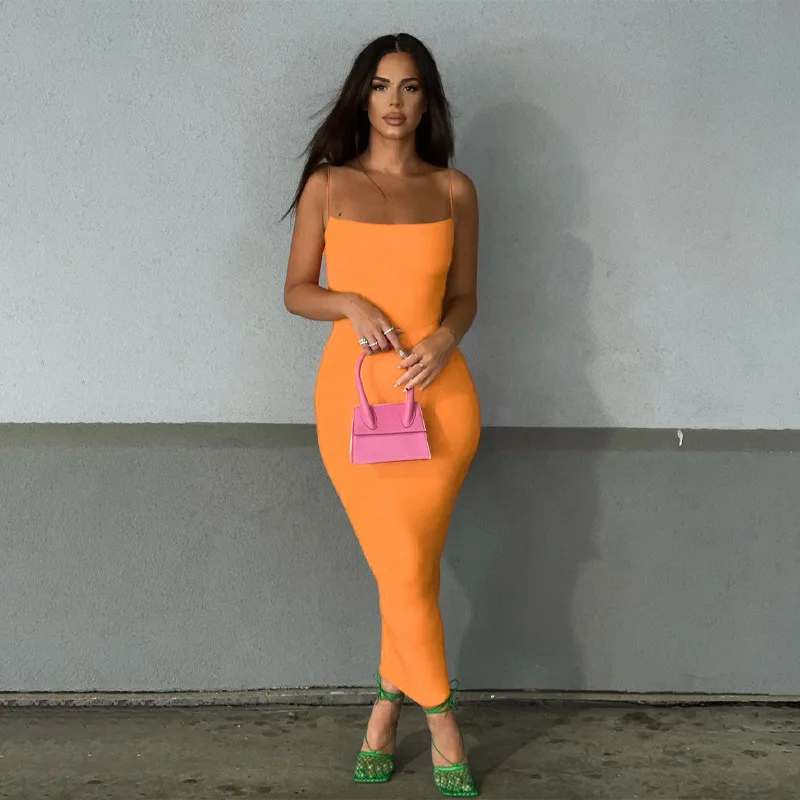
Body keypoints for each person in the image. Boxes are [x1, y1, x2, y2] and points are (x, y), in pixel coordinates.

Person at [282, 32, 481, 797]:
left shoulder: (455, 190)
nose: (394, 102)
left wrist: (441, 339)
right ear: (360, 97)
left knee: (410, 571)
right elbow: (297, 290)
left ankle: (382, 714)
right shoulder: (328, 186)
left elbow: (465, 298)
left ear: (428, 101)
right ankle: (443, 722)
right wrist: (348, 302)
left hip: (442, 402)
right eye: (379, 86)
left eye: (409, 86)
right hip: (357, 403)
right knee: (402, 568)